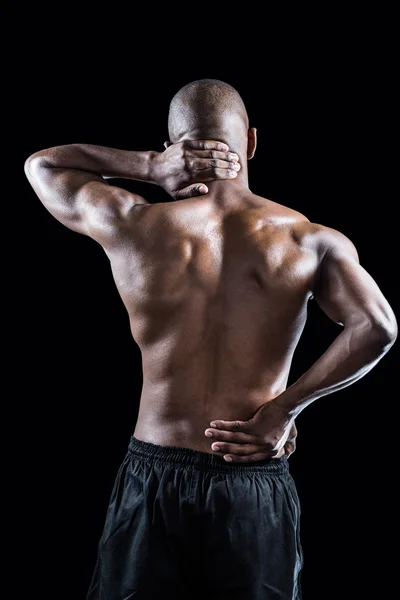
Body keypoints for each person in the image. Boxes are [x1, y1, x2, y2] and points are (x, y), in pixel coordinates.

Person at [25, 79, 397, 600]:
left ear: (172, 144)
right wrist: (283, 411)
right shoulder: (307, 239)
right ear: (251, 144)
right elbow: (377, 327)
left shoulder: (134, 224)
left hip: (153, 473)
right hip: (250, 479)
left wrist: (148, 167)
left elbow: (42, 166)